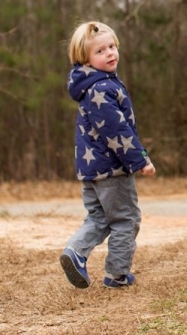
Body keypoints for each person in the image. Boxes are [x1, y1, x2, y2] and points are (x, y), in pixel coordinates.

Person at [59, 21, 156, 289]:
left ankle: (75, 252)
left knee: (98, 218)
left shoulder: (89, 86)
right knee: (126, 219)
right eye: (100, 51)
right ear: (86, 59)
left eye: (112, 46)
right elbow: (117, 131)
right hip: (111, 170)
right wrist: (140, 159)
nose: (110, 53)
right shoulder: (102, 89)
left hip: (90, 169)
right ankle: (117, 274)